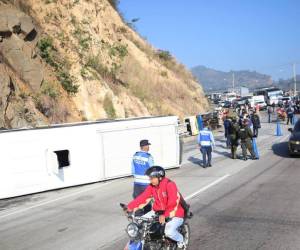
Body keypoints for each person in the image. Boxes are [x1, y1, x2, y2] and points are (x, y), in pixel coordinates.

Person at [126, 166, 186, 249]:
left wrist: (165, 215)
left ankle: (181, 241)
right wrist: (129, 207)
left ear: (160, 177)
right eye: (150, 178)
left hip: (175, 213)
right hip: (158, 211)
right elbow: (143, 197)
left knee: (168, 232)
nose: (150, 180)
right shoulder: (152, 187)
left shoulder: (170, 184)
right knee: (140, 224)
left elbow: (173, 202)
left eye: (152, 178)